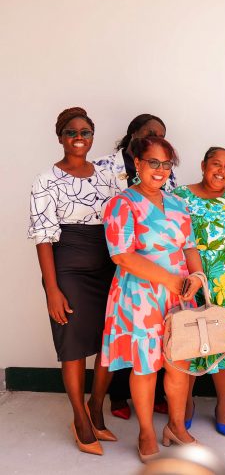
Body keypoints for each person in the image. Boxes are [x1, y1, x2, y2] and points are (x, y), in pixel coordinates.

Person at [101, 136, 204, 462]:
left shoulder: (177, 203)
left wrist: (197, 277)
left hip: (178, 297)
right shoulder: (122, 204)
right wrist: (174, 280)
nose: (159, 170)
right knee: (145, 368)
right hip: (141, 298)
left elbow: (189, 246)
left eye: (165, 164)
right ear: (138, 164)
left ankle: (175, 426)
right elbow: (123, 257)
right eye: (153, 162)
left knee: (179, 365)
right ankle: (146, 432)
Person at [29, 107, 120, 455]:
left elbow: (118, 222)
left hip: (107, 266)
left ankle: (96, 409)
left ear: (92, 136)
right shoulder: (46, 179)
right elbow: (43, 237)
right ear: (60, 137)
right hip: (67, 267)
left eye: (85, 131)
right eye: (71, 132)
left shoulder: (107, 177)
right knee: (73, 347)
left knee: (109, 342)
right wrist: (52, 289)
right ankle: (80, 419)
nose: (79, 137)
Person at [95, 114, 173, 420]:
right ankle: (116, 396)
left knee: (153, 336)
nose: (154, 137)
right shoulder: (103, 168)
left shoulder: (165, 172)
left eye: (161, 134)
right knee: (122, 330)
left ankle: (152, 396)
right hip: (111, 254)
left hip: (150, 263)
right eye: (148, 133)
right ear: (132, 135)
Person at [173, 147, 225, 436]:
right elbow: (174, 238)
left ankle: (222, 404)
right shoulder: (180, 196)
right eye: (215, 164)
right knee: (188, 344)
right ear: (203, 165)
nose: (221, 170)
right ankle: (187, 401)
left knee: (223, 345)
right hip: (188, 283)